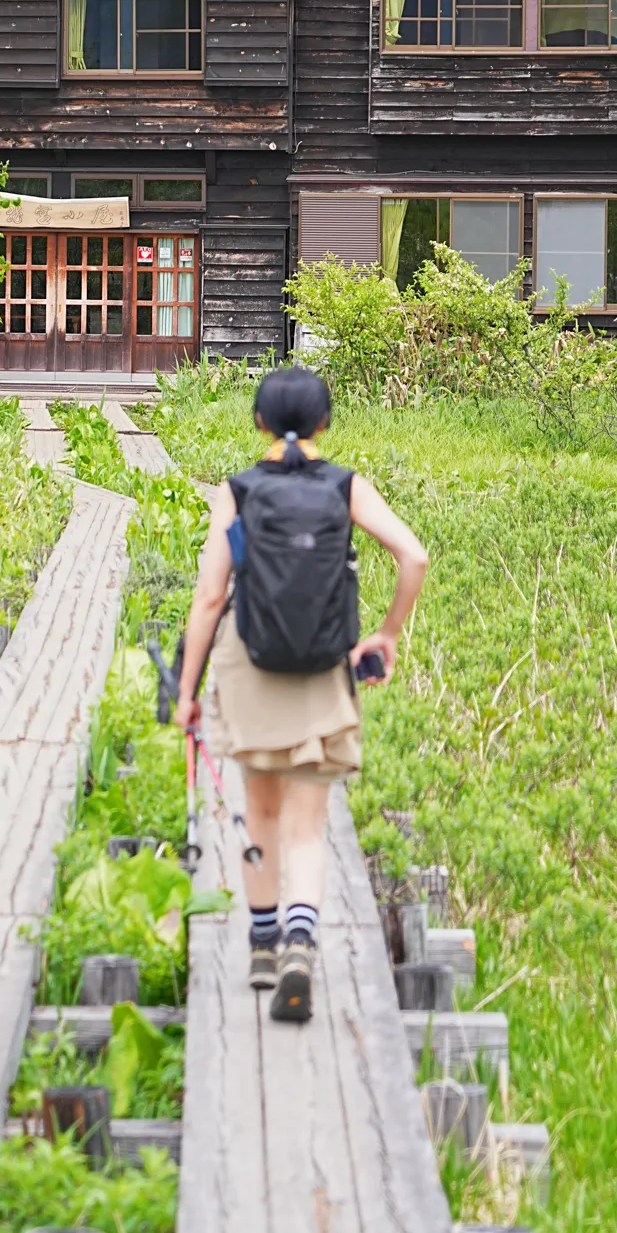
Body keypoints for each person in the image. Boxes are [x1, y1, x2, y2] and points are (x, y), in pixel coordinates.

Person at [174, 362, 426, 1026]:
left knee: (260, 813)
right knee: (308, 825)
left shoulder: (239, 491)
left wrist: (187, 688)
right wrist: (388, 633)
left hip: (249, 664)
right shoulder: (346, 486)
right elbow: (414, 557)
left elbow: (208, 598)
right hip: (323, 663)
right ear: (324, 423)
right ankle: (301, 944)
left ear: (258, 420)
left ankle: (260, 947)